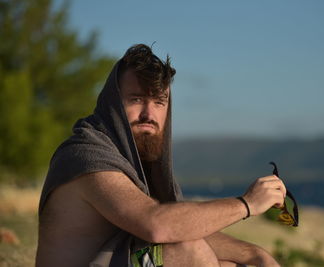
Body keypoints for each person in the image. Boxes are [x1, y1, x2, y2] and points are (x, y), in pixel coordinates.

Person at [36, 44, 286, 267]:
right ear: (113, 103)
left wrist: (254, 254)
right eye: (136, 99)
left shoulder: (136, 158)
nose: (149, 114)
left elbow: (182, 226)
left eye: (159, 102)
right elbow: (157, 225)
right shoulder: (87, 154)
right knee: (185, 250)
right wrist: (247, 204)